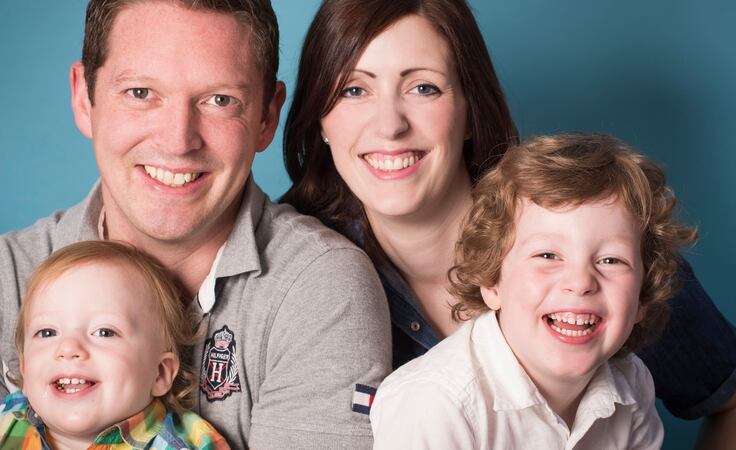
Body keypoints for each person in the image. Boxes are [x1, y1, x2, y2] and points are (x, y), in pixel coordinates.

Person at [0, 1, 391, 449]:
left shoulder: (319, 292)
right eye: (140, 93)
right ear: (83, 97)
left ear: (267, 117)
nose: (178, 141)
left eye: (219, 100)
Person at [281, 0, 736, 445]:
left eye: (423, 88)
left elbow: (728, 398)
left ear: (468, 111)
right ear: (320, 118)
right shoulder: (293, 275)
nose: (389, 125)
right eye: (353, 90)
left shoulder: (600, 239)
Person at [371, 134, 696, 448]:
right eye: (548, 255)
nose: (581, 282)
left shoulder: (632, 385)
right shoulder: (436, 405)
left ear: (642, 296)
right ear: (492, 281)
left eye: (611, 260)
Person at [0, 241, 229, 450]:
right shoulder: (6, 423)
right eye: (47, 332)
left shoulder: (189, 445)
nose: (68, 348)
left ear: (160, 373)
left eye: (104, 332)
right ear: (24, 367)